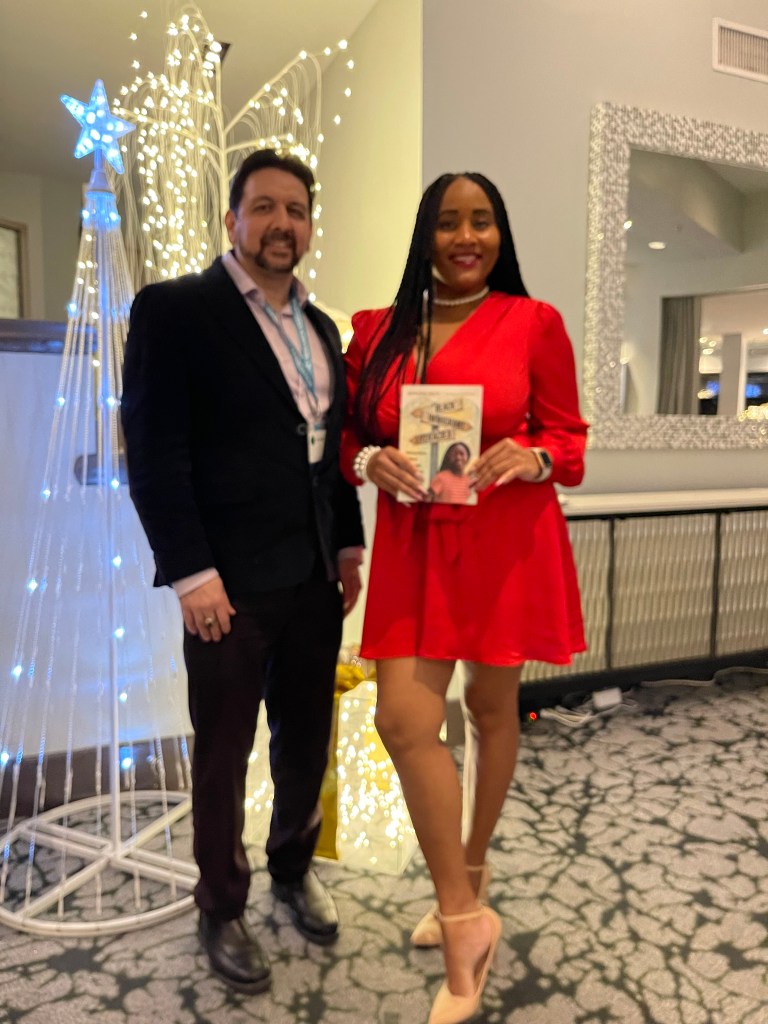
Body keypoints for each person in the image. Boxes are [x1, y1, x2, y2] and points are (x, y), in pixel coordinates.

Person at [341, 172, 587, 1024]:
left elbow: (570, 440)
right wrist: (367, 460)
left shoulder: (534, 322)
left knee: (489, 707)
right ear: (427, 234)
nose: (466, 237)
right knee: (404, 721)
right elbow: (349, 432)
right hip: (414, 546)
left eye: (482, 221)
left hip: (504, 542)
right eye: (449, 222)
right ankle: (464, 916)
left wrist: (535, 456)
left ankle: (470, 872)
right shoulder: (378, 330)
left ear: (500, 234)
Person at [121, 149, 364, 994]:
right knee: (223, 752)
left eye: (295, 210)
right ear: (233, 220)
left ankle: (293, 869)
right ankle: (221, 906)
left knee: (307, 740)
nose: (280, 224)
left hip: (313, 578)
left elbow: (328, 455)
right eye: (263, 207)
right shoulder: (176, 310)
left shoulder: (322, 329)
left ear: (309, 225)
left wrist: (347, 546)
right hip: (226, 585)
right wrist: (192, 574)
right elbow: (155, 453)